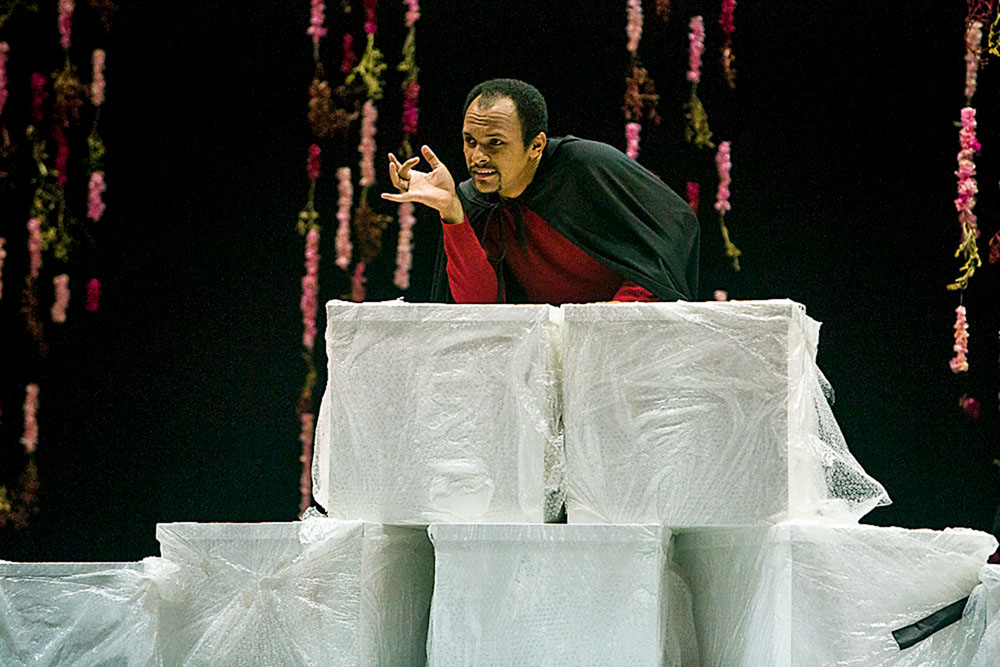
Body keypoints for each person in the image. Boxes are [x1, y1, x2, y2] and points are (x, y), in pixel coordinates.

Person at [381, 78, 699, 305]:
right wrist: (452, 212)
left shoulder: (584, 165)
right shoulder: (473, 199)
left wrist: (617, 314)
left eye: (495, 143)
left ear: (536, 146)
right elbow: (480, 306)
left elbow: (674, 223)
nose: (477, 157)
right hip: (544, 349)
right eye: (470, 141)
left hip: (620, 338)